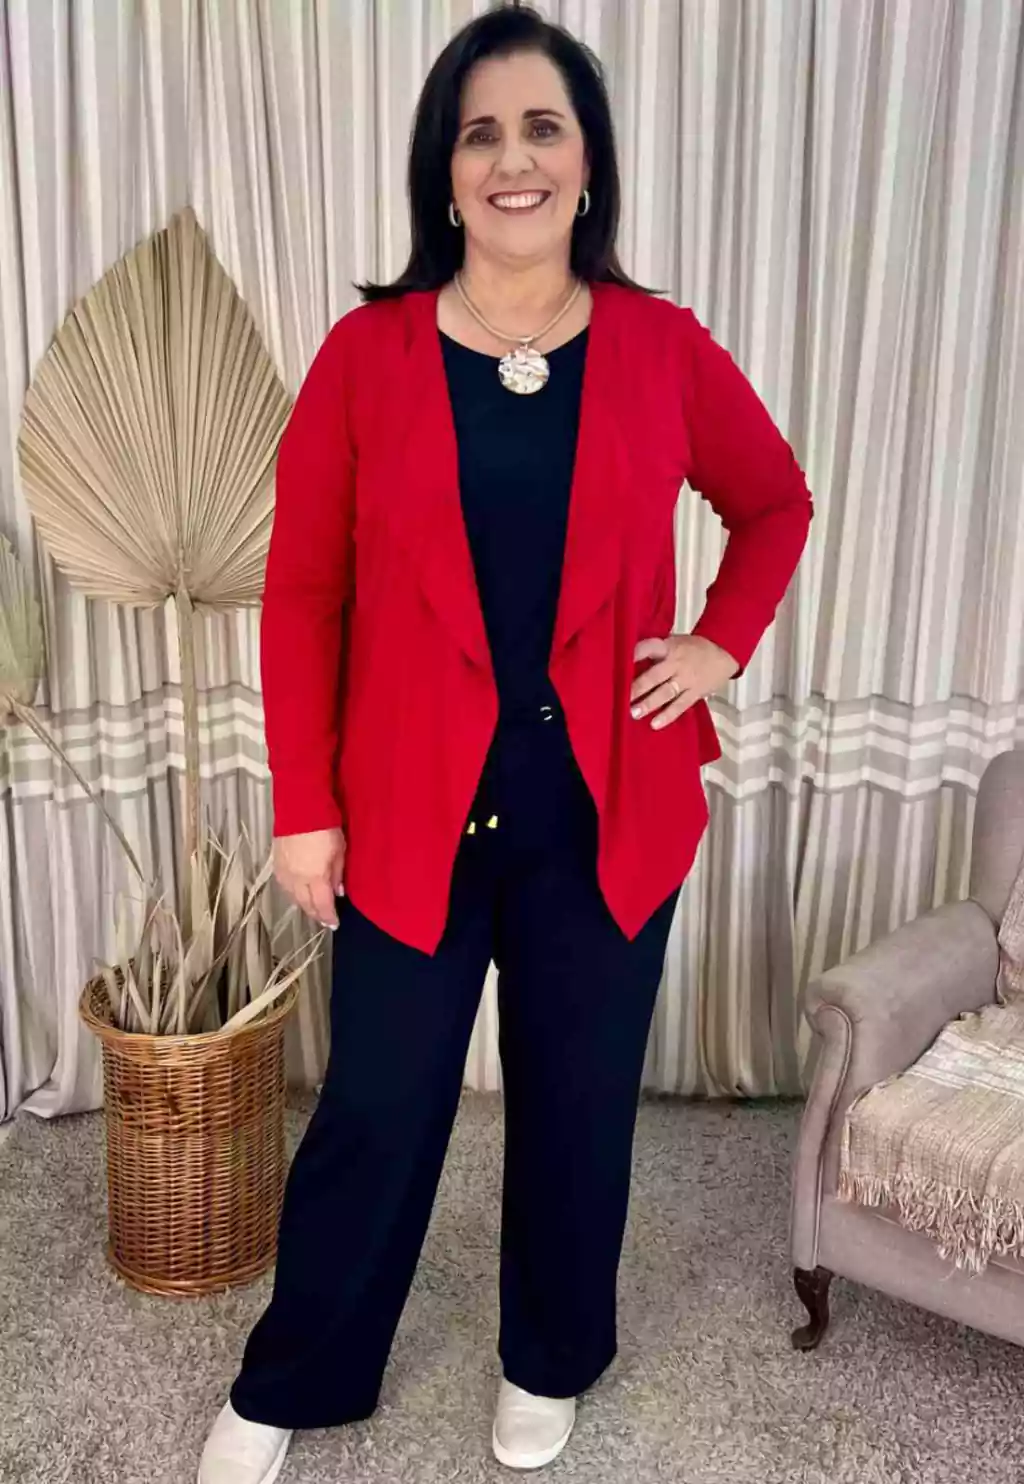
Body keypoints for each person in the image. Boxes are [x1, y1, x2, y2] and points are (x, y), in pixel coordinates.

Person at [198, 5, 812, 1481]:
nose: (512, 158)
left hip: (608, 801)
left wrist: (719, 643)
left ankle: (549, 1356)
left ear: (587, 165)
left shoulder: (662, 347)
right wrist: (304, 804)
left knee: (578, 1106)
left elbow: (773, 502)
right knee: (377, 1105)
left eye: (543, 127)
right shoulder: (367, 354)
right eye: (481, 133)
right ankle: (297, 1376)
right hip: (411, 803)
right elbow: (306, 592)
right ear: (445, 170)